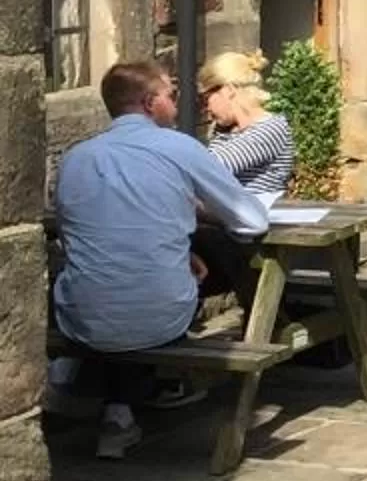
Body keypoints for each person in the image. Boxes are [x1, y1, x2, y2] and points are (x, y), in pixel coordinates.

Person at [51, 60, 272, 459]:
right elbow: (252, 219)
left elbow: (80, 236)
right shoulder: (179, 148)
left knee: (107, 283)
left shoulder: (76, 158)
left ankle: (99, 402)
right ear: (150, 102)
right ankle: (153, 392)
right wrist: (200, 218)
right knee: (219, 259)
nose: (178, 102)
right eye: (172, 94)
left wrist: (180, 246)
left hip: (82, 313)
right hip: (159, 314)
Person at [200, 49, 297, 200]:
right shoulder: (226, 130)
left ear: (228, 90)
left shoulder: (270, 129)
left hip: (257, 220)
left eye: (206, 98)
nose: (206, 108)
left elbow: (208, 169)